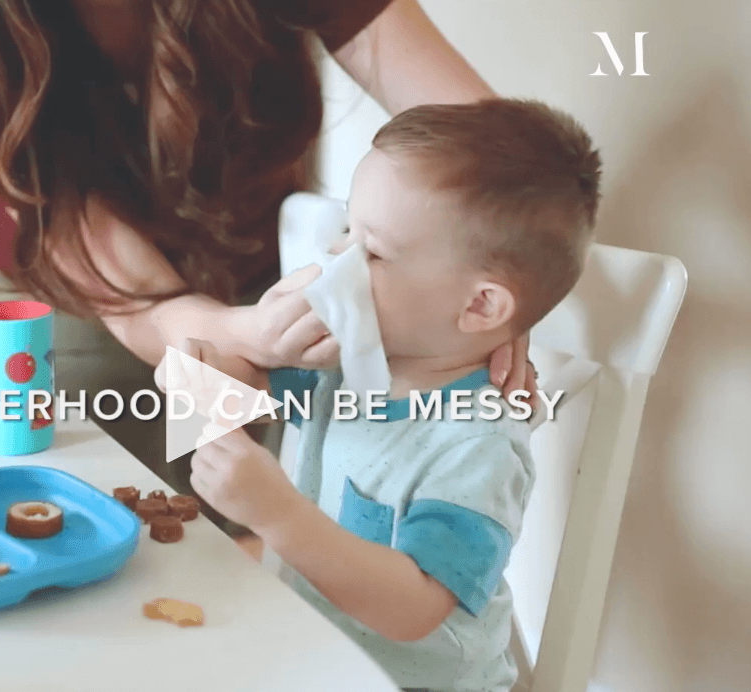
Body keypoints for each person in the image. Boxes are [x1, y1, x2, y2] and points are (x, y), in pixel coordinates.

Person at [0, 1, 538, 537]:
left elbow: (492, 151)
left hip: (240, 258)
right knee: (94, 515)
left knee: (218, 524)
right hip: (65, 276)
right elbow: (137, 304)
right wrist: (246, 338)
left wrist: (500, 245)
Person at [178, 99, 602, 691]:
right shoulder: (350, 364)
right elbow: (245, 381)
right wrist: (208, 365)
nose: (335, 258)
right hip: (323, 662)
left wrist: (277, 513)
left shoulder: (480, 443)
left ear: (480, 306)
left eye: (371, 251)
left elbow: (415, 610)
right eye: (346, 231)